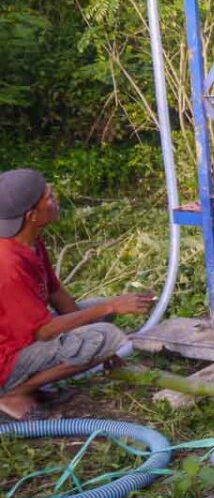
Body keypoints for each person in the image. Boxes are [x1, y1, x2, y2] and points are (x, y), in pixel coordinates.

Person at [0, 169, 154, 422]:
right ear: (31, 215)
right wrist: (110, 308)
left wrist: (99, 342)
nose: (55, 199)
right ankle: (13, 396)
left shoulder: (30, 242)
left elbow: (55, 292)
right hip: (6, 359)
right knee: (108, 332)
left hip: (21, 338)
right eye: (49, 197)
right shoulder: (7, 264)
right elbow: (43, 332)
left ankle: (32, 387)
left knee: (99, 325)